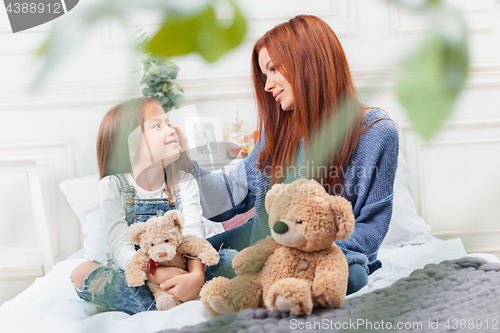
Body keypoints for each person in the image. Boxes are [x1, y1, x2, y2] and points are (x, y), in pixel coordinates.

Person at [180, 15, 399, 295]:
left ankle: (265, 280)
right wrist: (184, 165)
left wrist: (299, 255)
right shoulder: (279, 132)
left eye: (273, 69)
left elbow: (370, 229)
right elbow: (227, 198)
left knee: (352, 274)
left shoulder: (377, 132)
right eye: (264, 75)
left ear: (307, 62)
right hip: (262, 240)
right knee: (187, 255)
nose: (267, 85)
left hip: (329, 253)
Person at [71, 97, 210, 314]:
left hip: (182, 267)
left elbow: (194, 234)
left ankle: (178, 296)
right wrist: (156, 274)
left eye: (168, 122)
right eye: (157, 125)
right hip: (138, 273)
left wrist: (196, 276)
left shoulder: (184, 181)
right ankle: (174, 298)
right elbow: (120, 246)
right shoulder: (112, 185)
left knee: (230, 258)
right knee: (82, 272)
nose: (172, 129)